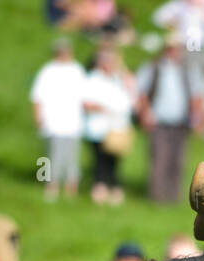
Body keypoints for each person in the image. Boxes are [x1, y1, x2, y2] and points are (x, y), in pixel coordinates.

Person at [136, 35, 204, 203]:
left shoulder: (187, 70)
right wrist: (145, 114)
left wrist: (198, 119)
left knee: (178, 161)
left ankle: (173, 196)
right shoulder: (153, 67)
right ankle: (158, 196)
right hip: (158, 121)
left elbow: (196, 96)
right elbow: (142, 93)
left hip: (180, 122)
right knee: (159, 159)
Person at [31, 37, 87, 201]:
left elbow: (83, 96)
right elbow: (38, 96)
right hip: (52, 121)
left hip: (72, 122)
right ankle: (49, 186)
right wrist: (38, 116)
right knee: (50, 156)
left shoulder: (77, 70)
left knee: (71, 157)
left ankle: (71, 188)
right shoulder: (48, 70)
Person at [83, 46, 134, 206]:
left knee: (114, 161)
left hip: (116, 128)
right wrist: (103, 109)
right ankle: (100, 188)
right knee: (100, 160)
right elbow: (87, 102)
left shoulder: (117, 79)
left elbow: (131, 90)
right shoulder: (93, 79)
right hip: (98, 128)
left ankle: (114, 188)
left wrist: (121, 69)